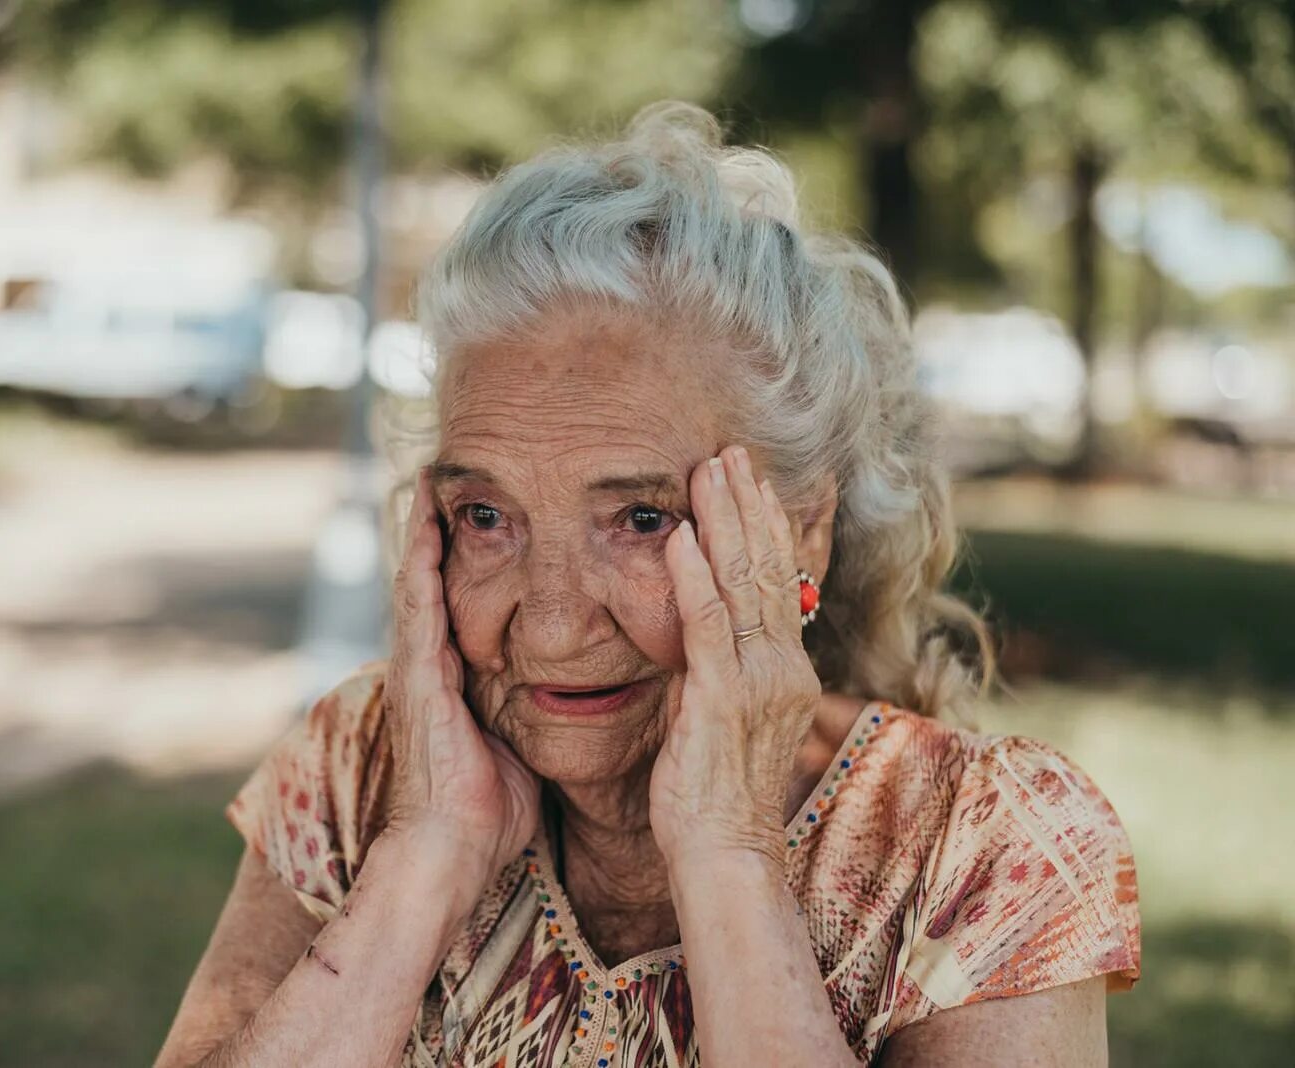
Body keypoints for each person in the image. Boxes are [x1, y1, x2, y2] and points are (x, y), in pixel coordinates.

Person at [155, 102, 1141, 1067]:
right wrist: (422, 859)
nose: (544, 630)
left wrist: (727, 857)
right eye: (486, 518)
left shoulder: (982, 847)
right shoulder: (358, 768)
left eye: (639, 519)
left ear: (799, 534)